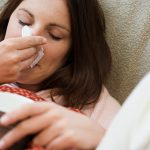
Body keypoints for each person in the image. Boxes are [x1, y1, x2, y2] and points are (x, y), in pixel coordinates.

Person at [0, 0, 120, 149]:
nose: (30, 39)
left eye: (55, 35)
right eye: (23, 21)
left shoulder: (94, 104)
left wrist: (103, 140)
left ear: (73, 50)